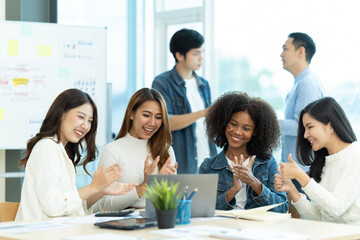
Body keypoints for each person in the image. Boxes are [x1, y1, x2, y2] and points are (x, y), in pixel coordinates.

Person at [15, 89, 136, 221]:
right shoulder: (47, 147)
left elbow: (74, 208)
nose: (85, 126)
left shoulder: (62, 151)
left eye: (90, 121)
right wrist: (93, 187)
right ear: (61, 114)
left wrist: (100, 190)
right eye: (81, 117)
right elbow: (53, 206)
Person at [275, 97, 360, 225]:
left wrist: (301, 176)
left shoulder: (355, 156)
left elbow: (335, 208)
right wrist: (291, 189)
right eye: (304, 129)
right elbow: (320, 217)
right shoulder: (325, 162)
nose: (305, 135)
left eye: (310, 127)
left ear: (330, 125)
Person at [199, 92, 288, 213]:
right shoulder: (208, 166)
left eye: (246, 128)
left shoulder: (267, 163)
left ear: (255, 132)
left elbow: (282, 208)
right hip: (222, 228)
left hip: (256, 229)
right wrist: (233, 190)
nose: (237, 132)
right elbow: (201, 210)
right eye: (233, 124)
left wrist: (253, 182)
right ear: (224, 123)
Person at [97, 88, 177, 210]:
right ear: (131, 113)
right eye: (146, 115)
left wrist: (162, 186)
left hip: (158, 221)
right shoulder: (112, 151)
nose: (152, 123)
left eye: (158, 117)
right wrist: (144, 186)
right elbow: (102, 205)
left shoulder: (166, 150)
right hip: (122, 225)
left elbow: (170, 204)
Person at [152, 28, 216, 174]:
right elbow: (166, 122)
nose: (201, 58)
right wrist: (203, 112)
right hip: (181, 165)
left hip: (208, 161)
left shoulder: (204, 84)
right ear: (179, 55)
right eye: (196, 53)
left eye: (202, 52)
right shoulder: (162, 83)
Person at [278, 32, 325, 182]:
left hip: (303, 170)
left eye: (285, 49)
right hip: (297, 168)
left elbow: (302, 126)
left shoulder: (307, 84)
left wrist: (267, 122)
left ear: (300, 52)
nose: (281, 54)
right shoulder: (300, 84)